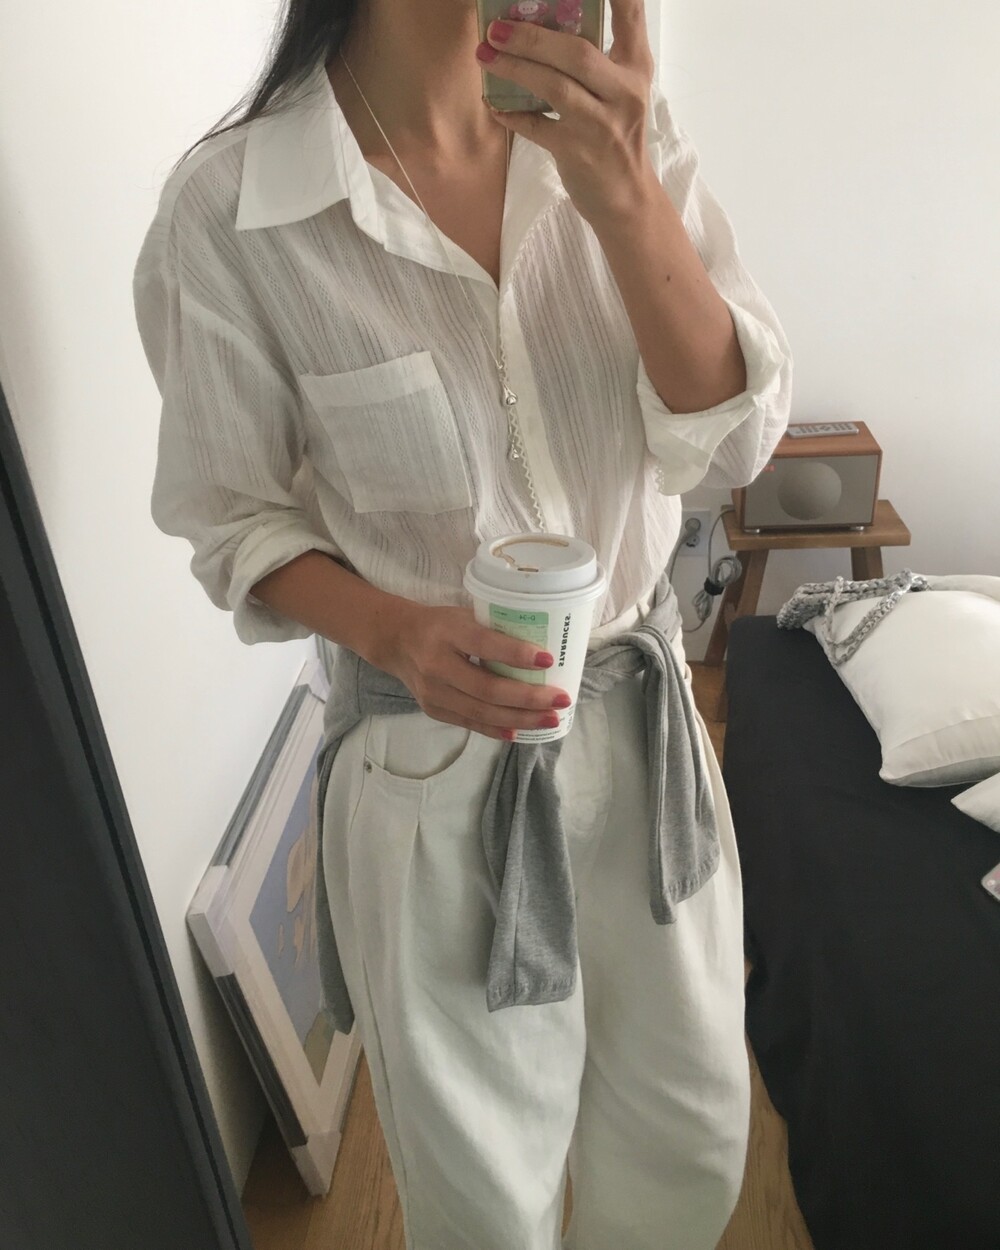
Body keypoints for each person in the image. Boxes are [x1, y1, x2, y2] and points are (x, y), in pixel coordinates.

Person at [133, 0, 792, 1243]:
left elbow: (731, 444)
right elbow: (232, 519)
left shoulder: (622, 134)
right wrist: (391, 629)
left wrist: (621, 190)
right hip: (432, 768)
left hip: (647, 734)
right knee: (484, 1199)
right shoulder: (233, 212)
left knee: (689, 1149)